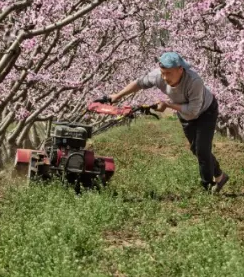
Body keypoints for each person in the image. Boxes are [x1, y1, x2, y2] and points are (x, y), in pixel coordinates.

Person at [98, 52, 229, 193]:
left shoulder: (194, 81)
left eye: (169, 73)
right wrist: (117, 96)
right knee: (196, 149)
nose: (165, 77)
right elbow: (139, 83)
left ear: (180, 69)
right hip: (185, 114)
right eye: (163, 73)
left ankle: (207, 187)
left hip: (205, 112)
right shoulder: (158, 76)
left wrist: (168, 105)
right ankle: (220, 176)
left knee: (202, 149)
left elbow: (193, 111)